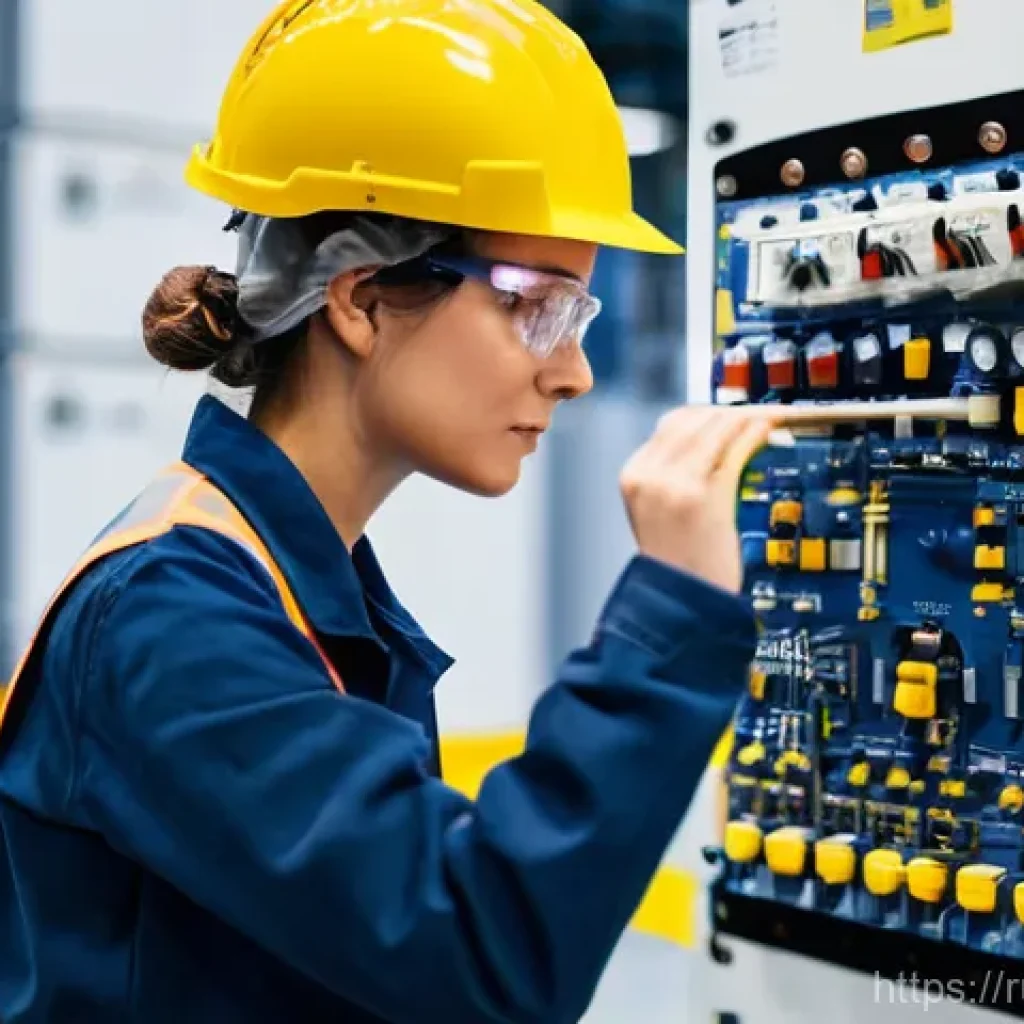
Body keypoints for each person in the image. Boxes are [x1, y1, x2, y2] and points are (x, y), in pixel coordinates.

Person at [0, 1, 774, 1021]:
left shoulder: (294, 594)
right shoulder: (171, 620)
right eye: (535, 305)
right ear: (360, 299)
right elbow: (479, 952)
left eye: (579, 314)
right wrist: (670, 619)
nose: (576, 372)